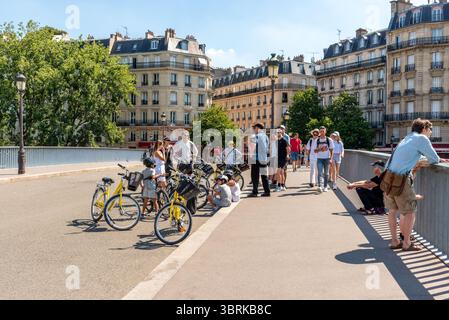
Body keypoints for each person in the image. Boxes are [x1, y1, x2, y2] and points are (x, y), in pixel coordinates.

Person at [386, 119, 449, 252]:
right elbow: (434, 159)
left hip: (388, 177)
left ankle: (394, 241)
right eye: (430, 129)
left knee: (392, 211)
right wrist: (436, 160)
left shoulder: (406, 139)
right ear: (425, 128)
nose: (431, 133)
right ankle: (407, 243)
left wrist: (420, 161)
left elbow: (408, 157)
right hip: (401, 179)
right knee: (409, 212)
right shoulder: (422, 139)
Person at [248, 123, 271, 198]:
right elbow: (267, 148)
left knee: (255, 176)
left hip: (256, 159)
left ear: (257, 128)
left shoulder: (256, 136)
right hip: (264, 159)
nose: (254, 130)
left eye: (254, 128)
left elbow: (253, 146)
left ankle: (255, 192)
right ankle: (267, 191)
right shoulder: (266, 136)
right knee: (264, 176)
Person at [315, 126, 334, 193]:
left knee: (326, 173)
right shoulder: (317, 140)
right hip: (319, 158)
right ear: (319, 132)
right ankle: (320, 186)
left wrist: (331, 159)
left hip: (327, 159)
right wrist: (321, 149)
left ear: (325, 132)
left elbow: (332, 150)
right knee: (320, 173)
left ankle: (325, 186)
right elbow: (315, 151)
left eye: (323, 131)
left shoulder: (329, 140)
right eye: (321, 131)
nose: (322, 133)